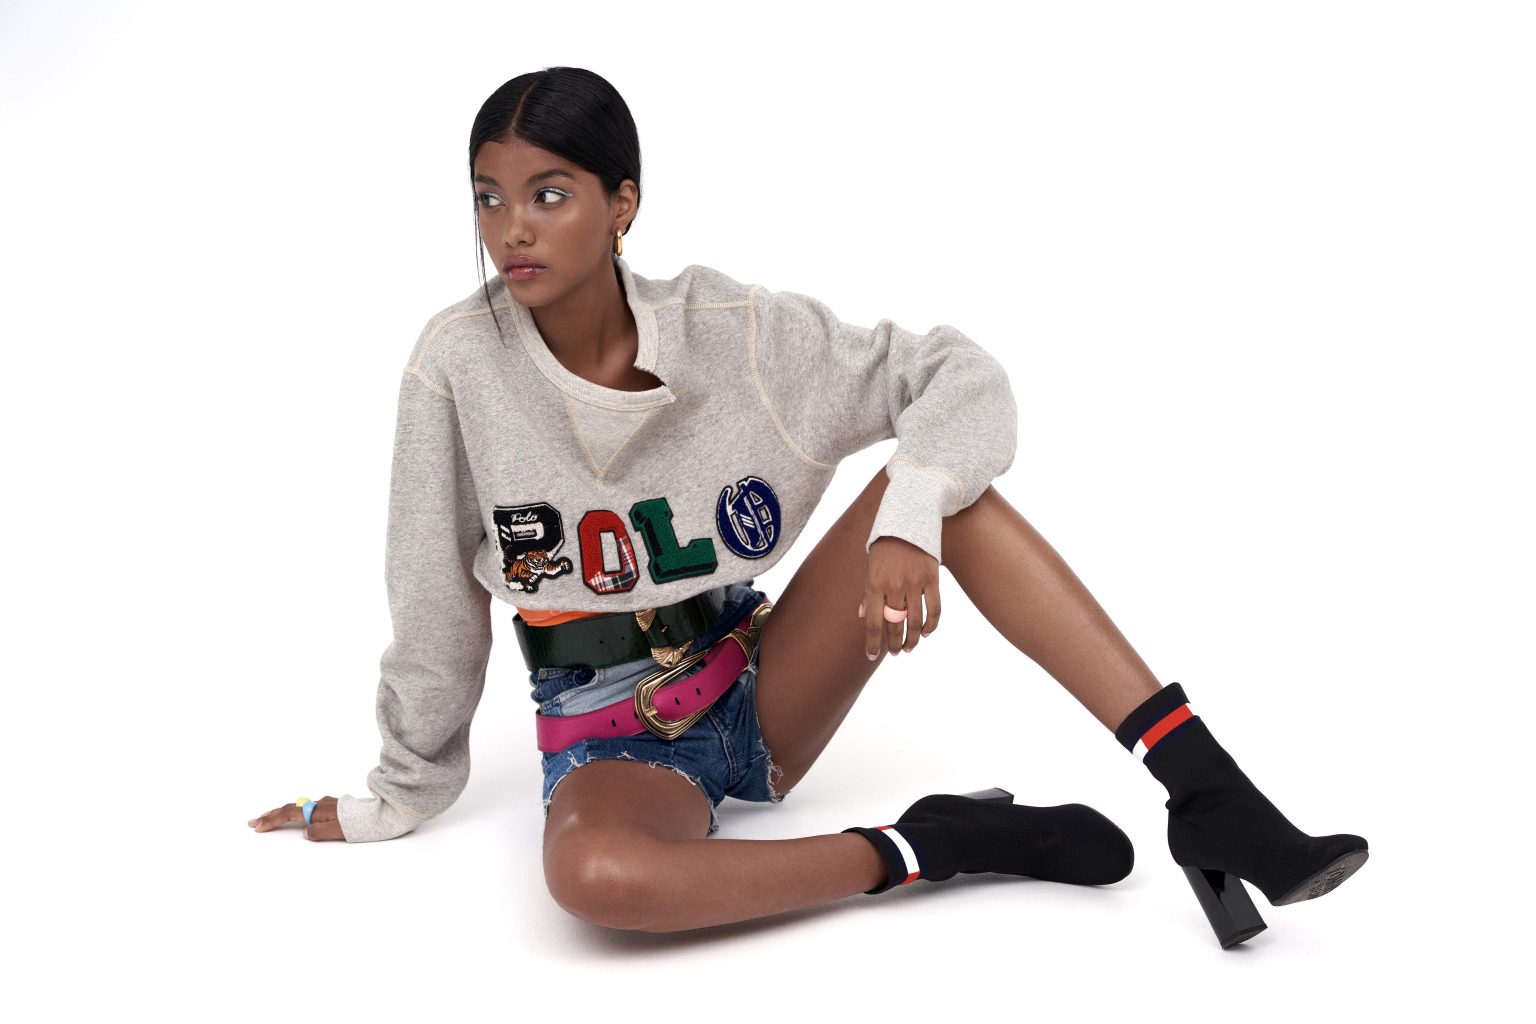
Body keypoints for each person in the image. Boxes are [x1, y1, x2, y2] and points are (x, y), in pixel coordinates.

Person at [248, 67, 1367, 946]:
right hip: (610, 741)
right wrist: (402, 790)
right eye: (488, 199)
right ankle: (934, 845)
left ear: (622, 204)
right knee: (594, 881)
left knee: (954, 496)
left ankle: (1206, 788)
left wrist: (909, 512)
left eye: (550, 194)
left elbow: (958, 375)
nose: (512, 231)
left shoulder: (734, 334)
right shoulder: (458, 365)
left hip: (766, 680)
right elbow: (430, 592)